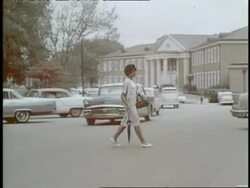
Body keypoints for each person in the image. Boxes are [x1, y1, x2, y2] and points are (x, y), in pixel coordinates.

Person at [110, 64, 153, 148]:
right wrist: (127, 105)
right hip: (130, 106)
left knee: (124, 123)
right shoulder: (127, 82)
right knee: (136, 122)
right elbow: (122, 95)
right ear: (130, 72)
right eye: (134, 71)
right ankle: (143, 142)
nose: (135, 73)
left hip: (132, 105)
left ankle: (114, 137)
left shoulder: (131, 81)